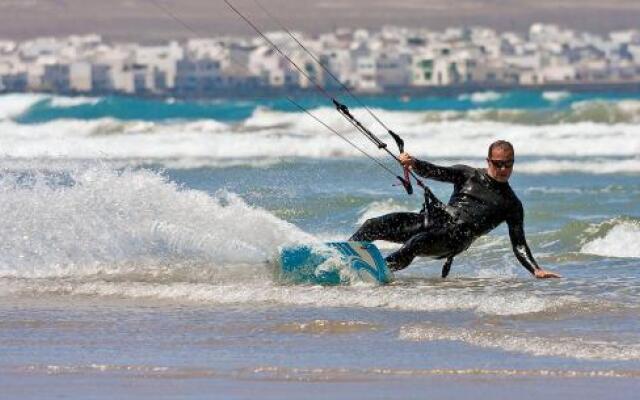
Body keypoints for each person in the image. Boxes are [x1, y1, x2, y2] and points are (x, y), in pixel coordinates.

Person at [350, 140, 561, 279]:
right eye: (498, 164)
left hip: (456, 239)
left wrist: (535, 269)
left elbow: (519, 244)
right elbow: (436, 172)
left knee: (416, 243)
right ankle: (343, 256)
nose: (504, 169)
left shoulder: (511, 204)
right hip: (436, 221)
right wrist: (413, 162)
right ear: (488, 161)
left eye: (508, 164)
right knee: (374, 225)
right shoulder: (466, 174)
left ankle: (376, 274)